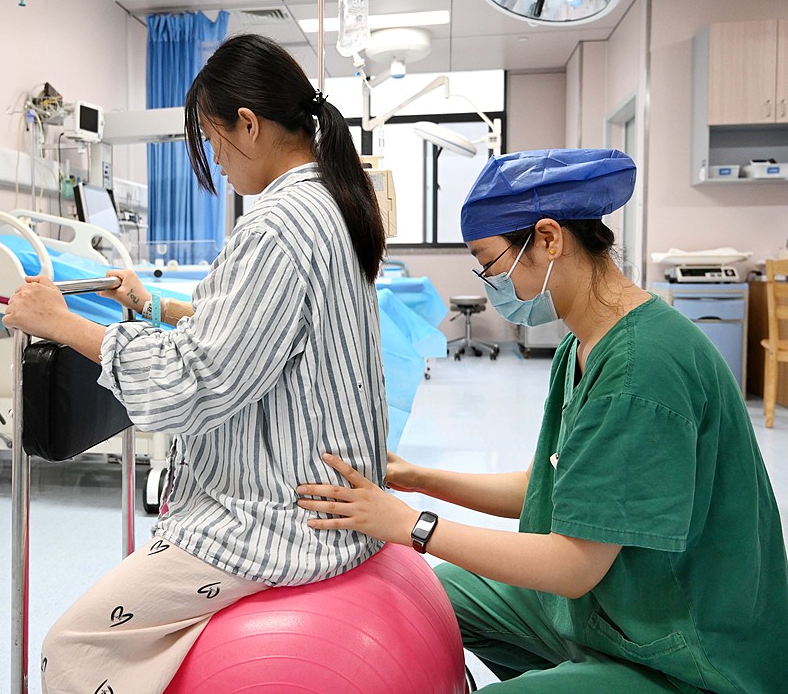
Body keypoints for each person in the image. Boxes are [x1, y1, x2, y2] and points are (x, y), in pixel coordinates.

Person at [297, 149, 788, 693]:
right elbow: (544, 488)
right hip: (615, 608)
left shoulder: (642, 367)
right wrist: (417, 478)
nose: (491, 282)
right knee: (435, 598)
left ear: (550, 239)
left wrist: (409, 525)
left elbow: (572, 566)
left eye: (491, 262)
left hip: (687, 651)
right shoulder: (581, 344)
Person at [2, 33, 388, 694]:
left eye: (213, 141)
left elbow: (197, 377)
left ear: (248, 123)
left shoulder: (278, 224)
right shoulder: (329, 202)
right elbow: (247, 329)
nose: (216, 161)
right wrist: (149, 302)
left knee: (72, 644)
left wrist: (60, 323)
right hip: (331, 502)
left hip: (286, 519)